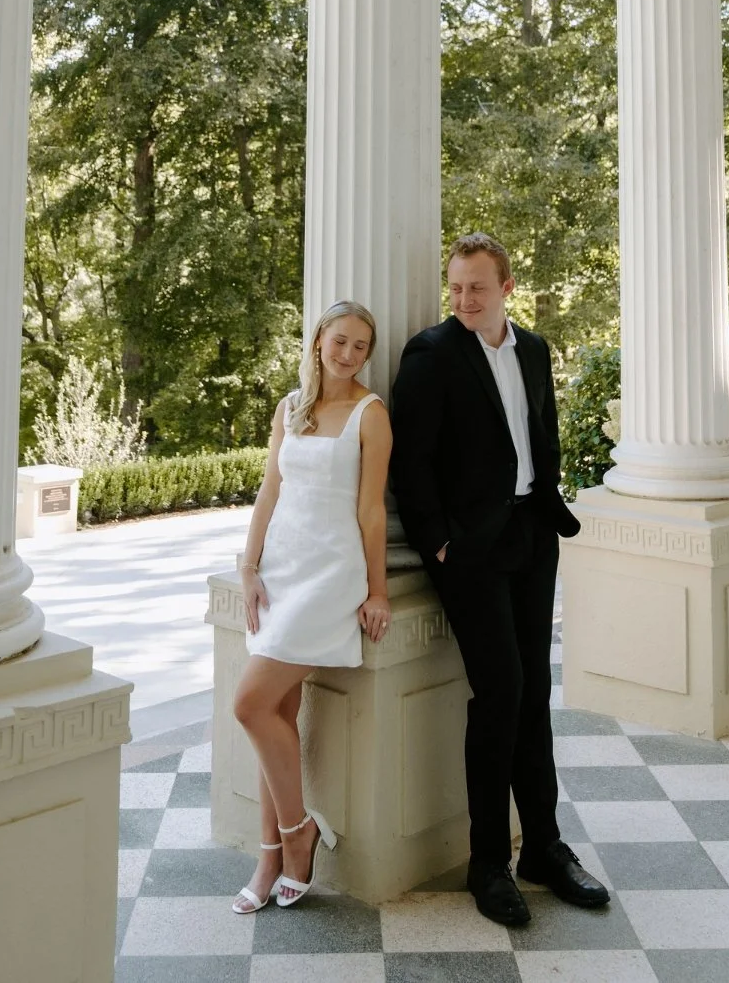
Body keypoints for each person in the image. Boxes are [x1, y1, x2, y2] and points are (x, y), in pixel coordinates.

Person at [390, 233, 609, 926]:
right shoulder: (430, 354)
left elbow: (542, 435)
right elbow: (411, 463)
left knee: (535, 691)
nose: (463, 299)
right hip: (470, 552)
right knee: (501, 692)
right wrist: (439, 543)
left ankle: (543, 846)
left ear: (506, 287)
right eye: (455, 287)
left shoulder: (534, 350)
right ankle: (488, 862)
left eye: (477, 287)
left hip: (531, 538)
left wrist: (547, 508)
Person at [231, 300, 392, 914]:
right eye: (340, 340)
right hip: (282, 569)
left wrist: (377, 590)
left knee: (249, 703)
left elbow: (371, 511)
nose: (348, 354)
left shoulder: (371, 415)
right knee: (276, 711)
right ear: (319, 339)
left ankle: (299, 833)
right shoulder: (290, 407)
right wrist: (249, 566)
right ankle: (269, 855)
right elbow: (271, 488)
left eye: (361, 346)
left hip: (330, 575)